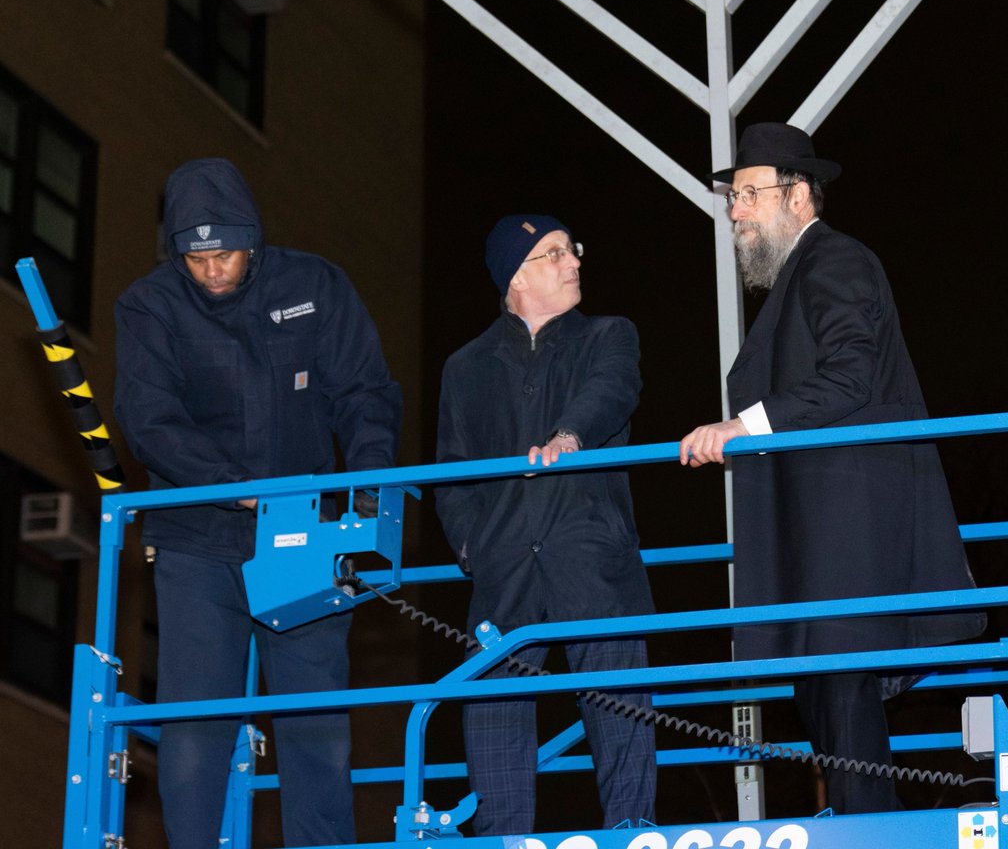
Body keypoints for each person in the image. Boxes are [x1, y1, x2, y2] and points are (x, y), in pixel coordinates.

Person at [679, 123, 984, 815]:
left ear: (799, 195)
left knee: (843, 704)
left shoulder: (835, 261)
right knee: (828, 705)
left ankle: (869, 831)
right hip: (815, 542)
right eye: (733, 197)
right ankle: (861, 823)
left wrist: (743, 426)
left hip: (846, 537)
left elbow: (851, 375)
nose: (735, 210)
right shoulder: (802, 274)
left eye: (748, 193)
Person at [114, 157, 403, 849]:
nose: (214, 270)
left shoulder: (315, 286)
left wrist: (365, 495)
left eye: (227, 251)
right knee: (195, 724)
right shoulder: (149, 306)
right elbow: (149, 419)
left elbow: (364, 395)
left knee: (317, 720)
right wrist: (236, 487)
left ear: (255, 237)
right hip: (196, 539)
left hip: (305, 535)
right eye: (197, 255)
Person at [435, 214, 656, 835]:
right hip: (503, 574)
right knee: (494, 729)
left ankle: (633, 839)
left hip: (594, 565)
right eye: (555, 253)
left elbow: (614, 389)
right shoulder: (466, 366)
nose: (574, 261)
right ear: (516, 278)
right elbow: (451, 471)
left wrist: (569, 435)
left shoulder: (609, 335)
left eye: (571, 249)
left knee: (623, 728)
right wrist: (473, 546)